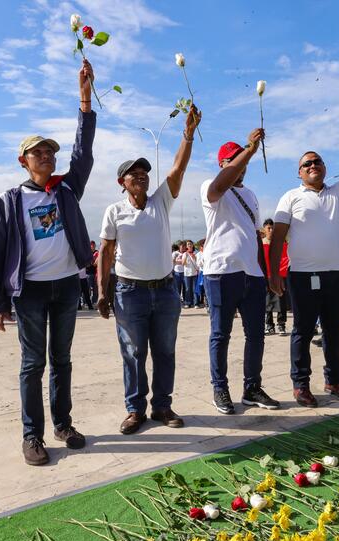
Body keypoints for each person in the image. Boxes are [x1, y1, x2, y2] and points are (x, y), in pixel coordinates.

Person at [0, 59, 96, 466]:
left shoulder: (66, 189)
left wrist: (84, 100)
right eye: (39, 152)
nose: (47, 156)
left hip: (66, 285)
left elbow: (83, 154)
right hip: (29, 291)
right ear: (24, 161)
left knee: (62, 360)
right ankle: (32, 435)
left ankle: (63, 424)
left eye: (50, 151)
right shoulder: (9, 201)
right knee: (33, 364)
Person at [97, 105, 201, 435]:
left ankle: (162, 406)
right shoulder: (114, 211)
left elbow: (178, 168)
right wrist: (102, 292)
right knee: (133, 352)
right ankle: (134, 409)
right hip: (129, 293)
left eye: (144, 172)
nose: (142, 175)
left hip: (166, 290)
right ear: (122, 182)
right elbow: (106, 252)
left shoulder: (161, 201)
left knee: (165, 351)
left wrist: (187, 134)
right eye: (134, 173)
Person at [269, 115, 339, 405]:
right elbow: (278, 238)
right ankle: (300, 384)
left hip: (336, 275)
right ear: (299, 173)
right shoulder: (290, 197)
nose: (313, 165)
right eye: (307, 163)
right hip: (302, 276)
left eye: (317, 161)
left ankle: (334, 380)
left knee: (333, 330)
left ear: (325, 167)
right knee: (303, 331)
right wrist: (274, 273)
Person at [201, 130, 280, 414]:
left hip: (252, 275)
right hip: (221, 272)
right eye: (234, 160)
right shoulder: (211, 186)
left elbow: (256, 236)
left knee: (256, 335)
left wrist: (267, 273)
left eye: (243, 160)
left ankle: (252, 388)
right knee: (220, 335)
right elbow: (218, 187)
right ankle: (220, 388)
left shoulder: (251, 195)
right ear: (222, 164)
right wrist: (249, 149)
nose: (241, 164)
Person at [262, 218, 289, 336]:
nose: (271, 230)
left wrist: (280, 275)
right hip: (264, 276)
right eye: (268, 228)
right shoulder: (260, 244)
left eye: (272, 228)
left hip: (279, 276)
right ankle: (269, 325)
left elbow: (285, 259)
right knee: (266, 300)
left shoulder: (281, 244)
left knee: (281, 299)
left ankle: (281, 324)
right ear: (264, 229)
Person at [181, 240, 199, 308]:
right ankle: (188, 303)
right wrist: (185, 257)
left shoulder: (195, 253)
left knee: (195, 289)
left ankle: (196, 303)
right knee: (188, 289)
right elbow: (183, 263)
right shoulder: (184, 254)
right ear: (186, 246)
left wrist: (195, 258)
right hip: (187, 274)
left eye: (190, 244)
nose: (189, 245)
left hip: (194, 273)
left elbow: (198, 264)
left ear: (192, 245)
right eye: (188, 244)